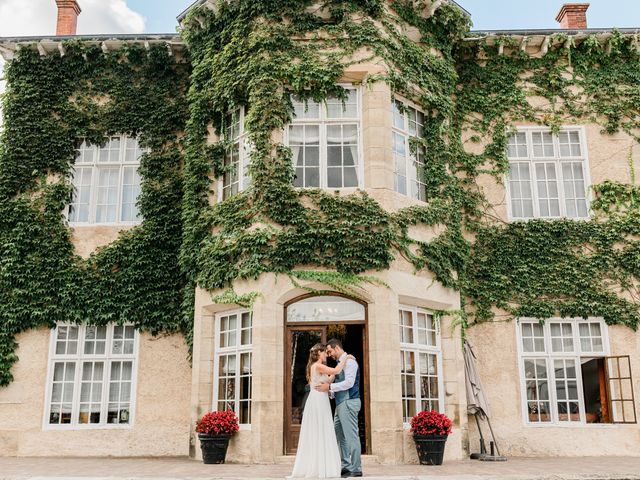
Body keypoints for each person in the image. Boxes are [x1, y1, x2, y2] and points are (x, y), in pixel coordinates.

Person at [289, 343, 353, 478]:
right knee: (320, 429)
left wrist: (331, 379)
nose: (326, 355)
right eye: (324, 352)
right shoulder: (318, 366)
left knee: (322, 430)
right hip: (318, 400)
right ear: (318, 353)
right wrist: (345, 359)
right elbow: (335, 371)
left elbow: (329, 378)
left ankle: (321, 465)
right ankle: (320, 466)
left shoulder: (317, 367)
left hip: (320, 399)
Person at [315, 339, 362, 478]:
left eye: (329, 351)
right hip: (341, 403)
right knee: (339, 436)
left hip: (349, 402)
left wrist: (329, 387)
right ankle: (345, 466)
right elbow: (340, 382)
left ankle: (356, 468)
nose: (328, 354)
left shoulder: (351, 362)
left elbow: (349, 383)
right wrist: (330, 392)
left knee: (351, 436)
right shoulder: (340, 364)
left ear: (336, 348)